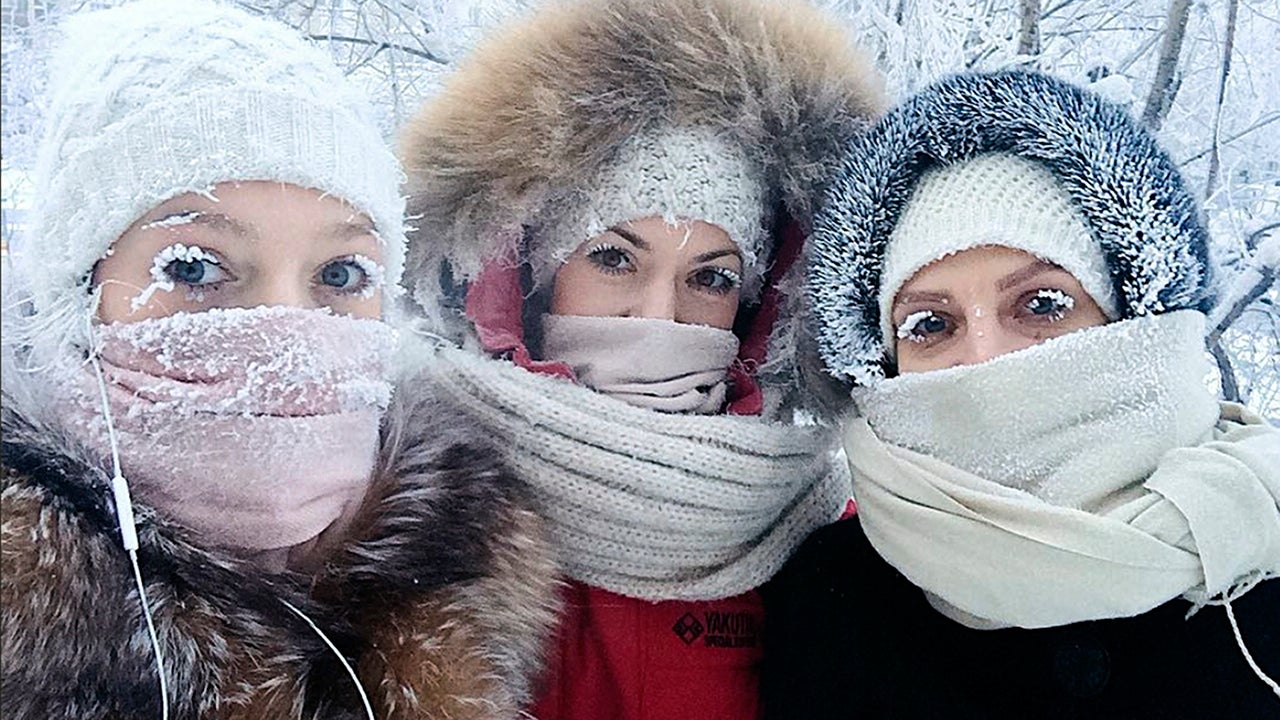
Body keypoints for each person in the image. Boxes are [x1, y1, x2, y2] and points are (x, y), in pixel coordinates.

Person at [0, 2, 557, 718]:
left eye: (341, 274)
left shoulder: (468, 571)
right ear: (74, 294)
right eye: (196, 269)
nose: (287, 329)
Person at [394, 0, 884, 717]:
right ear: (528, 274)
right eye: (614, 257)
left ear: (757, 311)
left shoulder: (818, 548)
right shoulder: (406, 517)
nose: (659, 314)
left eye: (712, 277)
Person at [761, 69, 1280, 719]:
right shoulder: (827, 600)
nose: (986, 357)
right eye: (931, 325)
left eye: (1042, 304)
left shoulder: (1263, 572)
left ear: (1131, 318)